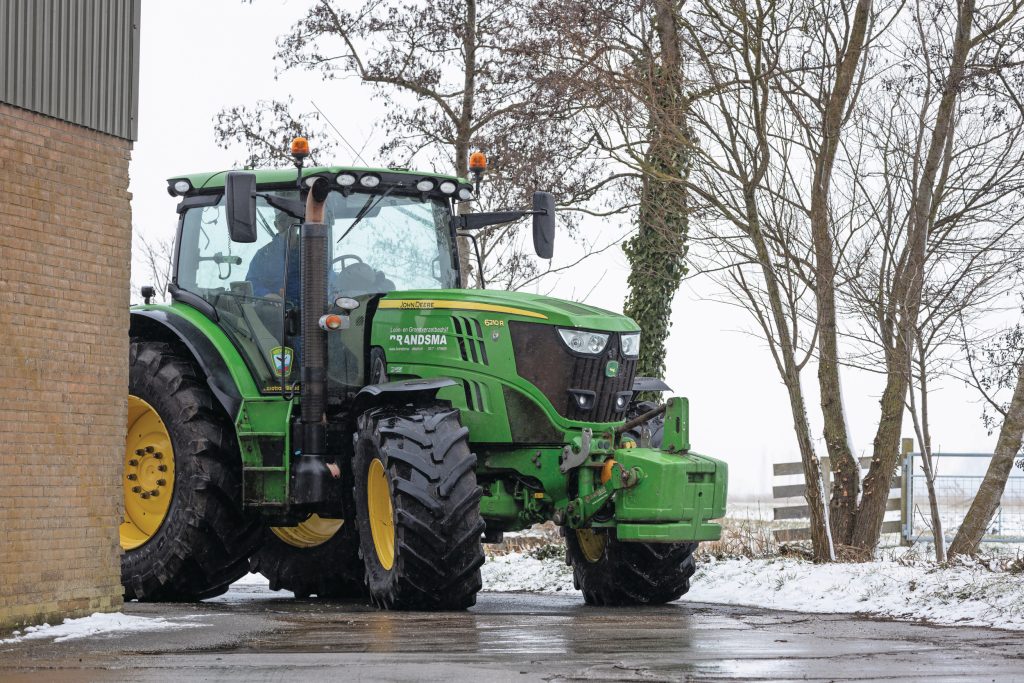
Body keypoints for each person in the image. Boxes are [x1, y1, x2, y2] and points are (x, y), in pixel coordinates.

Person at [246, 209, 301, 302]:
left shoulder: (312, 253)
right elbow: (251, 283)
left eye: (292, 220)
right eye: (283, 220)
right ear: (276, 225)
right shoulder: (263, 255)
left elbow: (327, 279)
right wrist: (266, 294)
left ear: (299, 222)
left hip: (309, 310)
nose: (288, 225)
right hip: (274, 310)